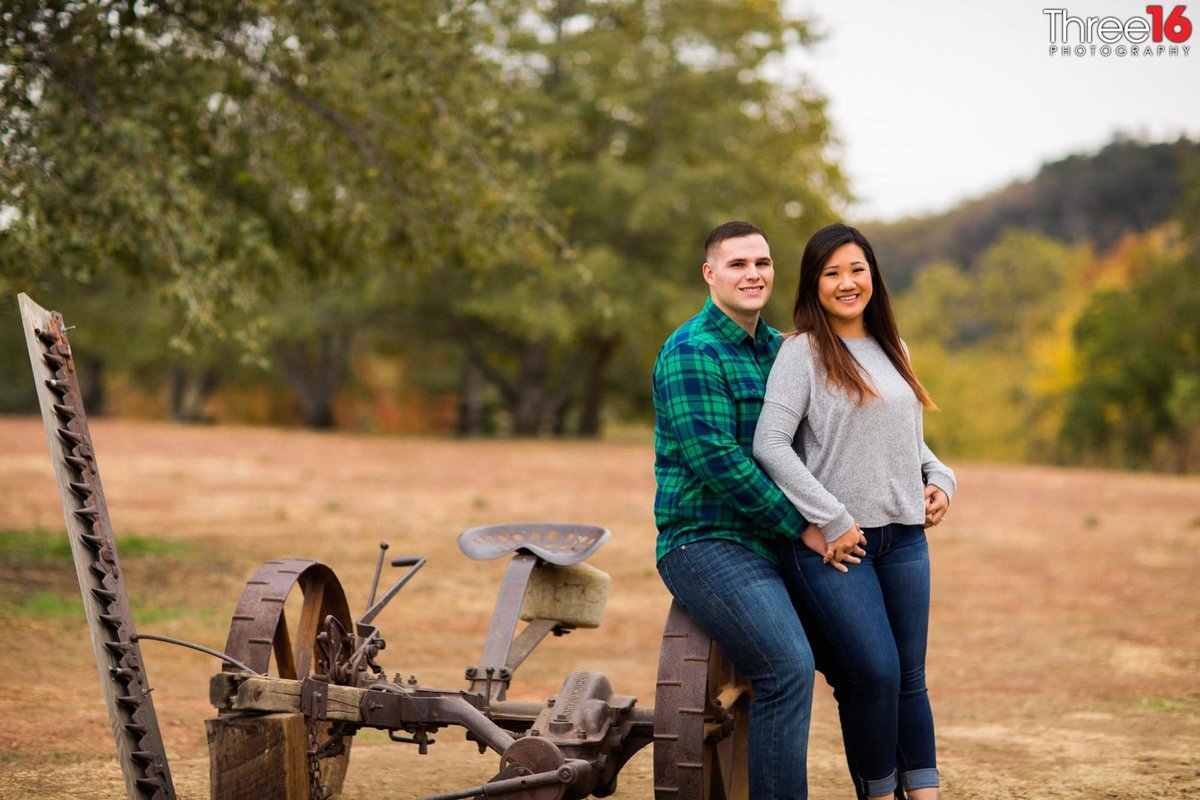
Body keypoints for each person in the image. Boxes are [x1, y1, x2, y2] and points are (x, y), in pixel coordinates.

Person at [753, 222, 955, 800]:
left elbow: (907, 443)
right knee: (875, 675)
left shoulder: (895, 348)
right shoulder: (802, 352)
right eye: (832, 273)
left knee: (910, 680)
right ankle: (880, 792)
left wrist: (941, 478)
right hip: (840, 546)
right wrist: (833, 517)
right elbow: (770, 444)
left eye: (856, 270)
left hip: (906, 541)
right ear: (814, 285)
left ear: (873, 276)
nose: (846, 283)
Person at [653, 220, 841, 799]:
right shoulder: (691, 351)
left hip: (778, 542)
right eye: (737, 264)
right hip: (707, 540)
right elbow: (718, 461)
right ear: (710, 274)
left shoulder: (787, 349)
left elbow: (842, 429)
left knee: (873, 662)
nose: (753, 274)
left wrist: (928, 477)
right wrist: (803, 526)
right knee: (786, 670)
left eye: (762, 262)